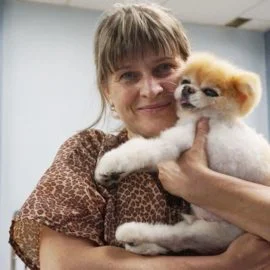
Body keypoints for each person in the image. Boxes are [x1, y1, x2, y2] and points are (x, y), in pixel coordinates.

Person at [9, 3, 270, 270]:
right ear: (107, 90)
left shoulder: (241, 147)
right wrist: (225, 265)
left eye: (164, 68)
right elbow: (64, 264)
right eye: (128, 75)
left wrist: (203, 185)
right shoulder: (88, 153)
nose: (151, 89)